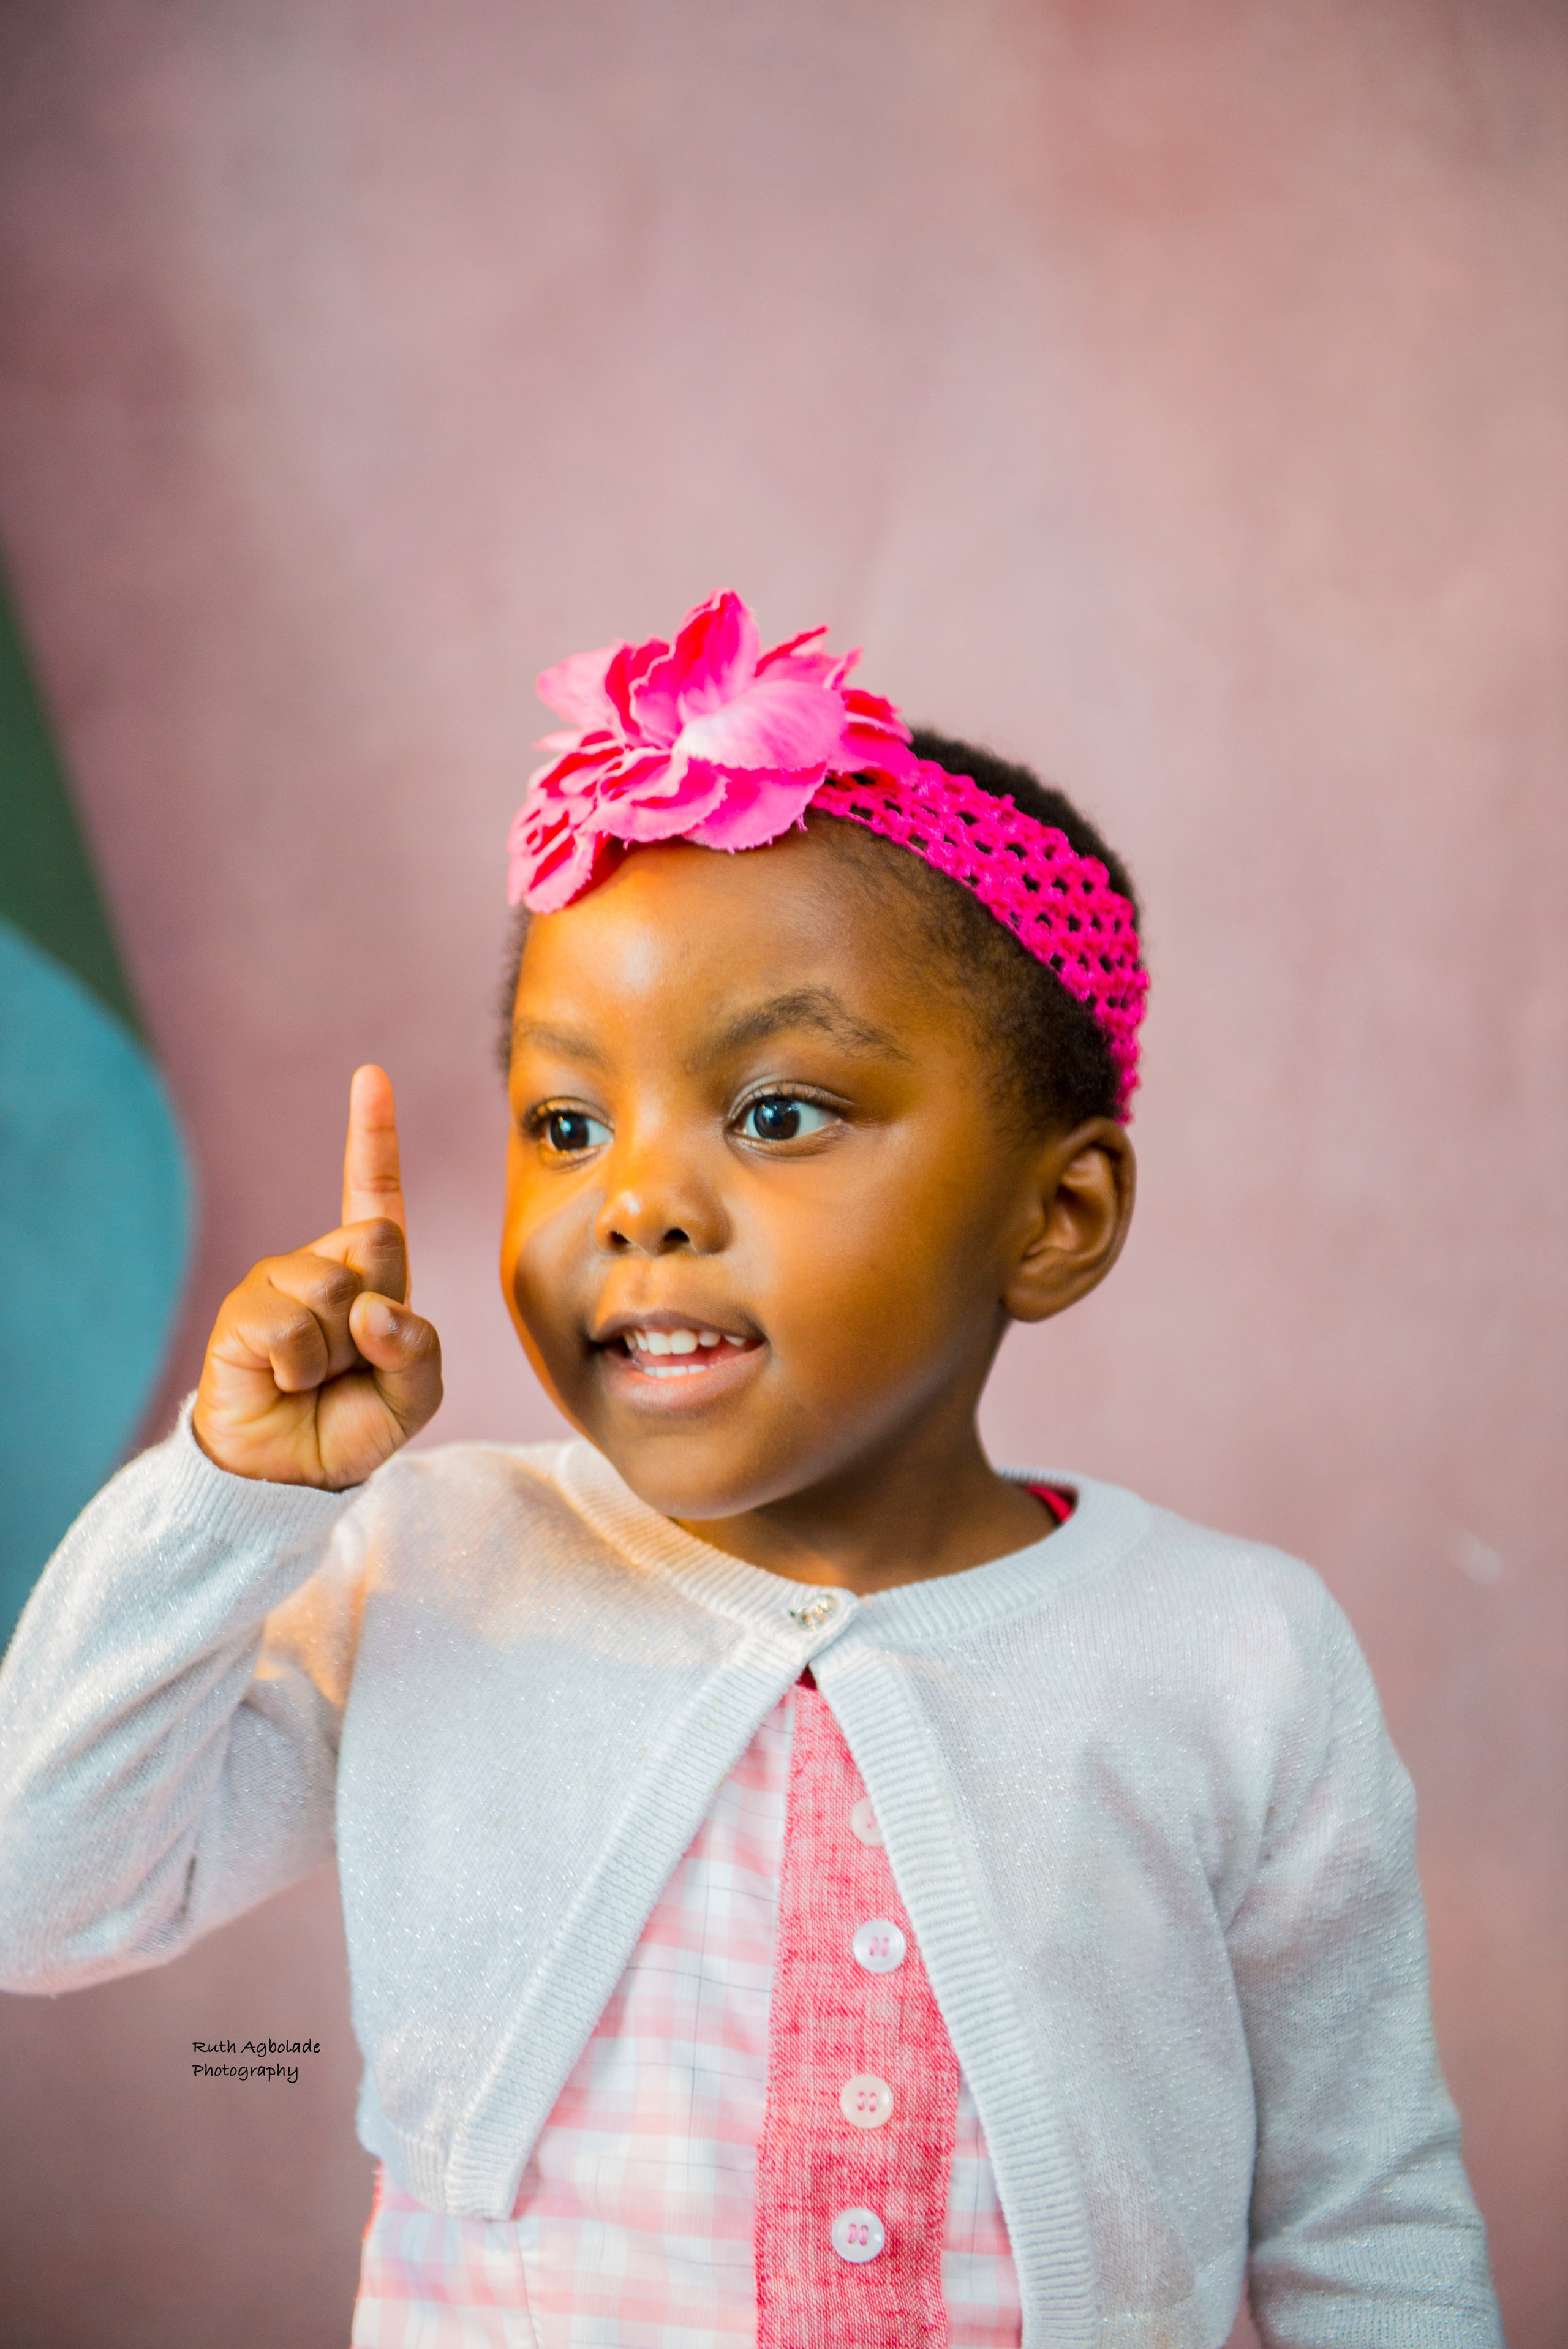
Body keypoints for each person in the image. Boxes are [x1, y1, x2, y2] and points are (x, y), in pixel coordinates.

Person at [0, 590, 1499, 2348]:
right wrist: (234, 1492)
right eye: (569, 1123)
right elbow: (47, 1888)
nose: (633, 1198)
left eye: (777, 1111)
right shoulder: (433, 1561)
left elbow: (1364, 2211)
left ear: (1058, 1212)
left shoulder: (1234, 1654)